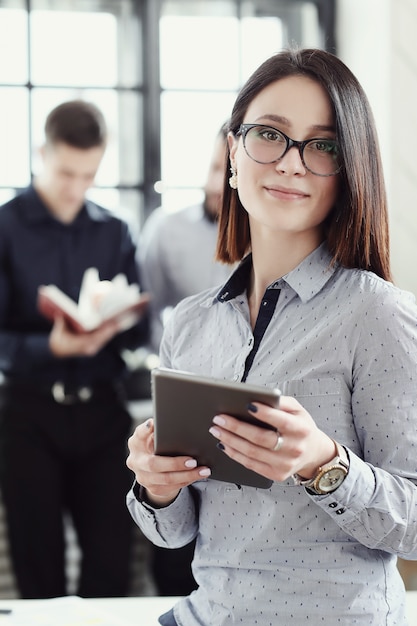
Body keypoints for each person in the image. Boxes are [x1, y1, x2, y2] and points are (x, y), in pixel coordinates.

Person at [126, 47, 417, 625]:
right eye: (269, 135)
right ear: (233, 154)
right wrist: (155, 486)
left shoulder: (379, 316)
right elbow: (175, 532)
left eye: (323, 145)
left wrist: (323, 462)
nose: (290, 163)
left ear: (348, 168)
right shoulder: (191, 322)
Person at [0, 100, 149, 599]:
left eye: (89, 175)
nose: (76, 188)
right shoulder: (6, 227)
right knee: (36, 562)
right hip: (28, 415)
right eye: (66, 172)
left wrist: (116, 328)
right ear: (42, 153)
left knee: (111, 563)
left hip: (103, 413)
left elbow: (138, 328)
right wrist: (53, 346)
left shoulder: (114, 230)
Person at [139, 123, 232, 354]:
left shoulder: (273, 243)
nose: (215, 185)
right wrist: (177, 360)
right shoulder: (167, 229)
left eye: (230, 173)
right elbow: (147, 315)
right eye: (214, 168)